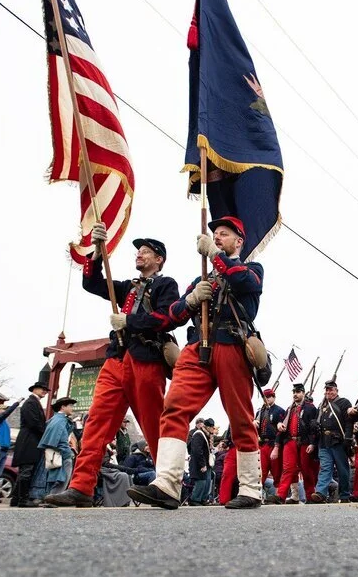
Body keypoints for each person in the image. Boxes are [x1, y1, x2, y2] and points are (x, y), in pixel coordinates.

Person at [128, 216, 265, 510]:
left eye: (224, 234)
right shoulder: (203, 276)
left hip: (231, 345)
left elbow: (242, 280)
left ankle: (252, 488)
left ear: (239, 241)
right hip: (197, 348)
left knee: (240, 417)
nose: (217, 237)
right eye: (214, 233)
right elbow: (172, 316)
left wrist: (215, 257)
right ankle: (167, 483)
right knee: (174, 406)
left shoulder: (252, 268)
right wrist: (190, 299)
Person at [45, 232, 179, 508]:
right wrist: (96, 249)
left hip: (146, 359)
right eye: (138, 251)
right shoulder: (127, 287)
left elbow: (168, 318)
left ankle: (167, 485)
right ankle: (81, 487)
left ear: (159, 259)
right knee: (96, 423)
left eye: (144, 251)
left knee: (153, 424)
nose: (138, 254)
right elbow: (93, 283)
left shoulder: (166, 284)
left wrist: (129, 320)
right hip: (117, 358)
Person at [274, 382, 319, 503]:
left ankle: (310, 496)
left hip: (304, 441)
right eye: (294, 392)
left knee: (306, 470)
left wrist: (312, 443)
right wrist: (279, 424)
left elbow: (314, 427)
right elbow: (282, 424)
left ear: (303, 393)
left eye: (298, 392)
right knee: (288, 469)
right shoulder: (289, 409)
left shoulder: (311, 408)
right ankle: (281, 495)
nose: (295, 394)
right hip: (290, 441)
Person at [28, 398, 78, 504]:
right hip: (60, 453)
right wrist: (68, 454)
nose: (72, 408)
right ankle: (53, 499)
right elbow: (61, 440)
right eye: (70, 405)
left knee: (54, 477)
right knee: (61, 478)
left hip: (53, 452)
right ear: (63, 407)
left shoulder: (54, 419)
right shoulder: (60, 421)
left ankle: (49, 498)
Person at [310, 380, 352, 504]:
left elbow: (348, 422)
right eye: (327, 390)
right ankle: (320, 493)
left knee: (342, 469)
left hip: (338, 440)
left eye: (331, 389)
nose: (329, 392)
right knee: (325, 468)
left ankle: (344, 494)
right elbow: (317, 424)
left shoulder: (344, 403)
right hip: (323, 441)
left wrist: (348, 438)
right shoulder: (322, 405)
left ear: (336, 390)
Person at [10, 381, 48, 507]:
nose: (44, 391)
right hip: (28, 440)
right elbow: (34, 423)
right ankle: (23, 499)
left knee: (25, 471)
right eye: (42, 388)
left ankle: (16, 498)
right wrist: (45, 433)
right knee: (27, 470)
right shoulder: (31, 402)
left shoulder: (33, 402)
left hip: (30, 440)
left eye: (46, 390)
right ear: (34, 389)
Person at [0, 397, 22, 502]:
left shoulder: (5, 424)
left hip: (5, 450)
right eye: (2, 409)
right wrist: (16, 403)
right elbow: (4, 414)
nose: (4, 412)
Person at [255, 389, 285, 502]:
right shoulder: (260, 412)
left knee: (276, 471)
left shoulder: (279, 411)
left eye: (268, 397)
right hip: (263, 444)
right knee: (260, 472)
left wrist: (277, 447)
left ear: (273, 397)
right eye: (265, 397)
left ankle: (278, 495)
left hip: (273, 443)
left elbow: (280, 431)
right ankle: (258, 496)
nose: (266, 399)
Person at [188, 417, 214, 505]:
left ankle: (203, 499)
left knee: (207, 482)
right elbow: (197, 450)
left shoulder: (206, 435)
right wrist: (202, 464)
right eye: (212, 427)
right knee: (201, 482)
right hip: (199, 463)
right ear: (208, 427)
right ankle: (195, 499)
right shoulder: (198, 434)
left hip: (206, 463)